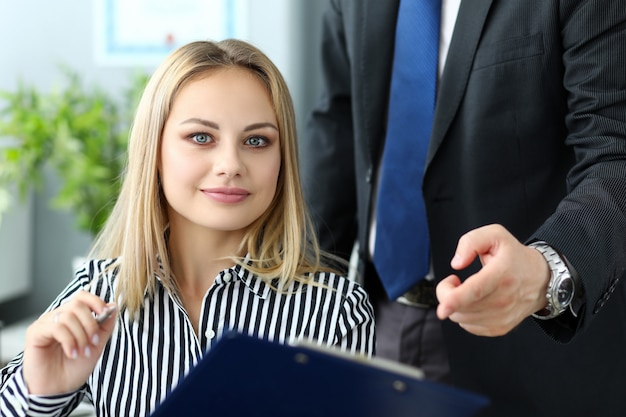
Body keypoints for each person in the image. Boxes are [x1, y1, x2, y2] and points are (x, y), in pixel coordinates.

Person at [0, 39, 375, 417]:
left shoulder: (336, 311)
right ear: (155, 151)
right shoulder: (97, 294)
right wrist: (42, 393)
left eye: (256, 140)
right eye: (201, 137)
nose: (230, 163)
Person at [300, 0, 626, 416]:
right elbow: (339, 123)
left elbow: (615, 157)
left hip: (525, 340)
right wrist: (298, 283)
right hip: (372, 320)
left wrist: (546, 271)